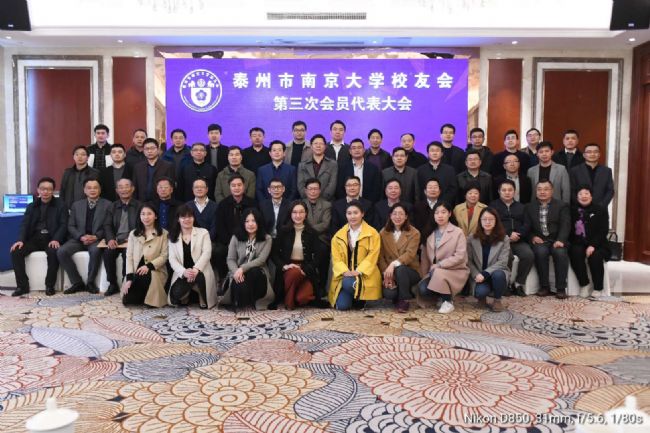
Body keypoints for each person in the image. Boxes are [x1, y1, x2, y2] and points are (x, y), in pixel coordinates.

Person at [10, 177, 67, 297]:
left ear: (53, 191)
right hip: (35, 238)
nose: (45, 191)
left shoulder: (61, 205)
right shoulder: (31, 206)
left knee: (53, 252)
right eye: (43, 189)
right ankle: (22, 286)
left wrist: (56, 239)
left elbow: (63, 225)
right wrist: (20, 240)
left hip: (51, 237)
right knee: (16, 251)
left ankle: (49, 286)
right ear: (38, 190)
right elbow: (24, 224)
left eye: (49, 189)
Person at [58, 178, 111, 294]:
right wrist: (81, 237)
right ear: (84, 190)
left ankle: (90, 282)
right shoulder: (76, 205)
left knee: (96, 251)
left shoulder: (108, 205)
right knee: (62, 251)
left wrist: (96, 236)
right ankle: (77, 282)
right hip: (79, 239)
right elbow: (71, 225)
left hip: (96, 239)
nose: (92, 190)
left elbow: (109, 225)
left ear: (100, 189)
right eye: (89, 188)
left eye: (95, 187)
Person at [329, 200, 382, 310]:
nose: (352, 216)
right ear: (346, 215)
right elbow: (336, 259)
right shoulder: (338, 236)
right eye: (349, 213)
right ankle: (355, 296)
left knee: (348, 283)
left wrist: (359, 271)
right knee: (342, 306)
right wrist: (345, 271)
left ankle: (360, 298)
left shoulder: (373, 234)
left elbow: (372, 256)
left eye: (356, 213)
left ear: (362, 214)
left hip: (364, 274)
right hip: (345, 275)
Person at [419, 202, 470, 314]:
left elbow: (460, 256)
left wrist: (440, 265)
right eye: (436, 213)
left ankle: (447, 301)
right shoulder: (429, 232)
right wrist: (424, 276)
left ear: (450, 214)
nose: (440, 215)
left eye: (443, 212)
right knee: (423, 288)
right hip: (434, 271)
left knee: (438, 273)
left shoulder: (458, 232)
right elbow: (425, 259)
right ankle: (440, 296)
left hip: (455, 270)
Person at [524, 180, 571, 299]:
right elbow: (526, 227)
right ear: (536, 191)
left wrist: (561, 240)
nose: (542, 192)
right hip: (540, 240)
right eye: (539, 189)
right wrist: (532, 237)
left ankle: (561, 288)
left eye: (546, 189)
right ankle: (544, 286)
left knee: (560, 253)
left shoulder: (562, 205)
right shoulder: (529, 207)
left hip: (557, 239)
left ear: (552, 191)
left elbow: (565, 225)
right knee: (540, 252)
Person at [271, 201, 320, 309]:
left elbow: (318, 257)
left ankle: (290, 296)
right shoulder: (283, 231)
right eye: (295, 212)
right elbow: (274, 254)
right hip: (288, 268)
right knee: (293, 272)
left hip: (305, 270)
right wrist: (284, 266)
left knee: (302, 299)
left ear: (306, 214)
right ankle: (289, 302)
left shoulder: (312, 233)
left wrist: (306, 269)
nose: (298, 215)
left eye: (301, 212)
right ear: (290, 214)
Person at [168, 205, 217, 309]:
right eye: (183, 217)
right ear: (178, 219)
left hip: (200, 271)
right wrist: (184, 272)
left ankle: (201, 295)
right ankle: (189, 292)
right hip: (183, 272)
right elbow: (172, 259)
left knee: (199, 277)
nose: (187, 219)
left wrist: (195, 269)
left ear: (194, 218)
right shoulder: (173, 236)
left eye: (190, 216)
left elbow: (207, 253)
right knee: (175, 295)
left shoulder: (203, 232)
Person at [490, 180, 533, 296]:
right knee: (507, 257)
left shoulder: (522, 207)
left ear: (515, 192)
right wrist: (508, 234)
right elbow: (493, 224)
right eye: (504, 190)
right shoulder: (493, 206)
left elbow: (527, 224)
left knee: (528, 255)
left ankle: (518, 284)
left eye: (510, 190)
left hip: (519, 240)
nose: (507, 192)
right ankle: (505, 284)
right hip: (501, 240)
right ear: (499, 192)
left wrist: (518, 234)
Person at [121, 203, 169, 307]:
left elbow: (164, 256)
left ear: (155, 216)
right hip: (136, 271)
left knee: (150, 300)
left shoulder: (163, 233)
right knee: (129, 301)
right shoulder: (133, 234)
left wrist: (148, 266)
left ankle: (149, 297)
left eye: (149, 214)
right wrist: (129, 278)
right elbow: (129, 257)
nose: (146, 217)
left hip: (155, 270)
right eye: (143, 214)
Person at [225, 208, 273, 310]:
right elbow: (230, 259)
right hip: (238, 272)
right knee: (240, 287)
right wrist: (236, 271)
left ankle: (253, 298)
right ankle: (240, 298)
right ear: (243, 223)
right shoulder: (235, 237)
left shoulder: (267, 238)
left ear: (259, 222)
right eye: (247, 221)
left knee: (254, 271)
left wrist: (242, 268)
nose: (250, 224)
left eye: (253, 221)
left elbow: (261, 260)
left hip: (258, 273)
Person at [379, 203, 421, 313]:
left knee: (401, 269)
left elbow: (410, 254)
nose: (398, 217)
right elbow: (380, 256)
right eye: (395, 214)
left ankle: (404, 300)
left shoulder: (414, 233)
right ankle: (399, 294)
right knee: (389, 294)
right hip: (389, 272)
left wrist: (393, 265)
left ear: (406, 216)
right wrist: (386, 274)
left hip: (410, 271)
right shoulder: (383, 232)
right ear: (390, 216)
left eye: (401, 214)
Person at [102, 178, 141, 296]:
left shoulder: (140, 206)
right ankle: (112, 284)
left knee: (127, 254)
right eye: (121, 187)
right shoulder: (112, 206)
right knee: (108, 253)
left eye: (127, 186)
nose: (124, 189)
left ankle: (126, 282)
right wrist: (110, 238)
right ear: (117, 190)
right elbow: (107, 224)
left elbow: (143, 225)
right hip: (116, 240)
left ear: (132, 189)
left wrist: (133, 237)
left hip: (131, 240)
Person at [215, 174, 258, 279]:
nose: (236, 188)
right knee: (219, 252)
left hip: (249, 240)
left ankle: (246, 276)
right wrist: (231, 243)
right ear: (229, 187)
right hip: (228, 241)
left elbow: (257, 224)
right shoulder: (223, 204)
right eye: (233, 185)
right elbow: (220, 227)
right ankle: (223, 279)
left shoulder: (252, 203)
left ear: (244, 186)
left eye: (239, 185)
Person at [467, 207, 510, 311]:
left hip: (495, 273)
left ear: (496, 221)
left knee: (498, 275)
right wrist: (476, 274)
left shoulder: (504, 238)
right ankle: (482, 298)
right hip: (479, 275)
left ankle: (497, 300)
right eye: (484, 219)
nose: (487, 222)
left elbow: (503, 262)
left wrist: (485, 273)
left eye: (491, 219)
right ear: (480, 221)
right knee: (480, 292)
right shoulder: (472, 238)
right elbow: (468, 260)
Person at [569, 186, 610, 298]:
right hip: (579, 241)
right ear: (577, 197)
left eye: (586, 193)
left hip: (598, 243)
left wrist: (592, 245)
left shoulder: (600, 209)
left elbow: (603, 230)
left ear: (591, 196)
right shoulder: (572, 211)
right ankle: (584, 284)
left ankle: (598, 287)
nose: (584, 196)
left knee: (595, 255)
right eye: (580, 194)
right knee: (575, 252)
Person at [302, 178, 332, 302]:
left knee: (323, 250)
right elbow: (298, 221)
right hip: (303, 237)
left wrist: (307, 229)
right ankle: (307, 287)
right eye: (310, 189)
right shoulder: (300, 203)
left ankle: (321, 287)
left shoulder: (327, 205)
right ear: (305, 190)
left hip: (321, 238)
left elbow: (325, 224)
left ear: (320, 190)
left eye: (315, 189)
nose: (313, 191)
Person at [336, 138, 381, 203]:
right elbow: (339, 188)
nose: (357, 150)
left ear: (364, 150)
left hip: (368, 204)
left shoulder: (373, 168)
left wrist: (368, 204)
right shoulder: (343, 168)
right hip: (347, 204)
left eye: (359, 147)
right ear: (350, 151)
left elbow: (376, 189)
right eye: (354, 148)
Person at [569, 143, 614, 208]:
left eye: (595, 152)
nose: (592, 154)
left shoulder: (607, 171)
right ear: (584, 155)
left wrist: (602, 205)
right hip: (580, 209)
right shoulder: (575, 170)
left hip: (600, 209)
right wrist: (580, 204)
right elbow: (572, 190)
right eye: (589, 152)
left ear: (599, 154)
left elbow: (610, 190)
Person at [132, 138, 175, 202]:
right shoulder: (138, 167)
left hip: (161, 203)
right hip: (142, 203)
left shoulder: (168, 166)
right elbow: (135, 187)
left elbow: (171, 187)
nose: (149, 151)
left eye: (152, 148)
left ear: (158, 150)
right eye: (147, 149)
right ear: (143, 151)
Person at [297, 133, 338, 201]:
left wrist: (322, 201)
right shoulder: (302, 165)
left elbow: (332, 185)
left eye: (321, 144)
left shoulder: (332, 164)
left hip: (326, 202)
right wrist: (309, 198)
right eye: (315, 143)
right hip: (306, 202)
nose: (318, 146)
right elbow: (300, 185)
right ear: (311, 146)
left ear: (325, 146)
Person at [60, 145, 100, 209]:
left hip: (88, 209)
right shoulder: (67, 172)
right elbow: (62, 191)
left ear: (88, 157)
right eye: (77, 154)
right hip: (69, 209)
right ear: (73, 157)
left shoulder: (95, 173)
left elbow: (98, 192)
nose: (80, 157)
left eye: (83, 154)